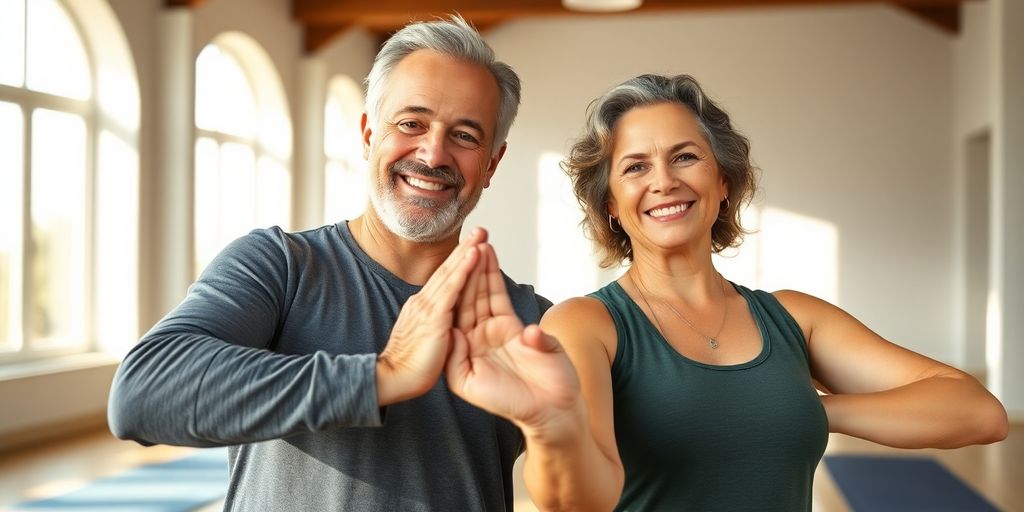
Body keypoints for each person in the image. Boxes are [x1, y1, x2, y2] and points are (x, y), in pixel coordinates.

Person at [107, 15, 562, 511]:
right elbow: (143, 394)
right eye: (411, 123)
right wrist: (382, 375)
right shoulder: (278, 267)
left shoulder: (531, 322)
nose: (433, 154)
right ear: (368, 134)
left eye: (466, 136)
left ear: (491, 164)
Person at [531, 73, 1010, 511]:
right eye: (636, 167)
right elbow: (571, 501)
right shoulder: (585, 326)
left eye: (685, 156)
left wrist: (815, 408)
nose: (664, 181)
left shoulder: (794, 318)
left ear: (722, 182)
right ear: (611, 204)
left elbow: (978, 413)